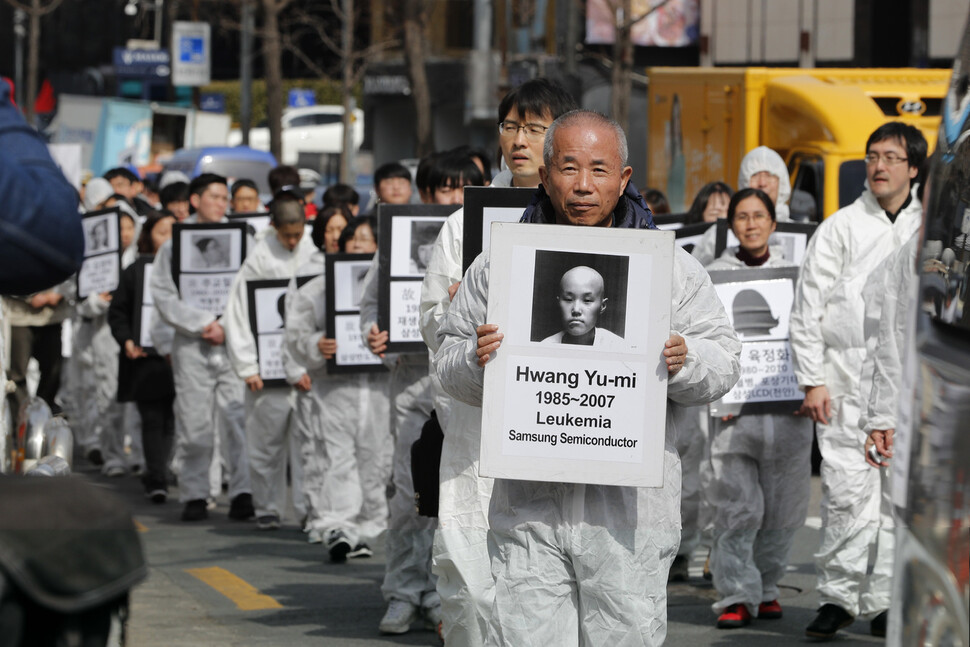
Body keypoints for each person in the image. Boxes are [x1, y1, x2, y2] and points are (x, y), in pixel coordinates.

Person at [434, 110, 740, 646]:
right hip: (528, 506)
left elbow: (725, 359)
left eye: (599, 169)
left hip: (628, 515)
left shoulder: (668, 267)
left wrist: (685, 359)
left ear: (623, 179)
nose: (582, 185)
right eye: (568, 167)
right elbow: (448, 360)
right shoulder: (502, 265)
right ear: (546, 175)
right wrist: (475, 360)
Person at [418, 77, 577, 647]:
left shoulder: (587, 219)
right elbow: (431, 321)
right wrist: (454, 310)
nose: (519, 140)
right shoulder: (465, 223)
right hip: (477, 425)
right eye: (511, 126)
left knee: (547, 573)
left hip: (557, 412)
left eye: (534, 128)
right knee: (469, 568)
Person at [789, 122, 926, 640]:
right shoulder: (840, 227)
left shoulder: (927, 231)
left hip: (907, 389)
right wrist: (812, 380)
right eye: (872, 156)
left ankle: (887, 600)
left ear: (914, 168)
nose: (879, 166)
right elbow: (807, 308)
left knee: (899, 501)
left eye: (891, 157)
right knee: (846, 495)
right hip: (844, 385)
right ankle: (838, 597)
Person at [703, 188, 813, 628]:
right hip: (734, 421)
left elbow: (812, 335)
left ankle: (766, 588)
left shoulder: (799, 276)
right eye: (742, 217)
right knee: (735, 509)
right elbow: (705, 342)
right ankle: (736, 594)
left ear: (773, 222)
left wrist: (809, 385)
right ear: (731, 225)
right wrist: (718, 392)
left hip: (788, 415)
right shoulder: (712, 277)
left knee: (783, 510)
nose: (751, 224)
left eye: (758, 216)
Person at [285, 218, 392, 562]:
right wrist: (317, 344)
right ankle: (337, 524)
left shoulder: (389, 288)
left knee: (376, 456)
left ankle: (372, 523)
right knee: (335, 456)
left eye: (367, 239)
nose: (359, 245)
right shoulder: (317, 289)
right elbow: (295, 335)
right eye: (353, 239)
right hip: (334, 390)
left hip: (377, 388)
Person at [151, 173, 254, 522]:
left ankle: (242, 491)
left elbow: (251, 287)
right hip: (192, 343)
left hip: (232, 341)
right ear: (195, 200)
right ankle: (196, 493)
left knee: (237, 418)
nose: (222, 204)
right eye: (215, 196)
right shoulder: (174, 245)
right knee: (194, 421)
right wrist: (202, 323)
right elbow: (163, 294)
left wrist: (226, 325)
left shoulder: (243, 240)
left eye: (225, 198)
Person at [224, 191, 317, 530]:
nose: (292, 241)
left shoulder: (312, 251)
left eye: (297, 234)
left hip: (305, 368)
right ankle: (267, 506)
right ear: (274, 227)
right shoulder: (258, 257)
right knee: (266, 444)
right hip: (268, 370)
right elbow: (238, 313)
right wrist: (247, 366)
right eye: (286, 235)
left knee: (307, 445)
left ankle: (308, 509)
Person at [107, 212, 178, 502]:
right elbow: (118, 312)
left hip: (177, 356)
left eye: (173, 232)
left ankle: (160, 468)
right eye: (162, 232)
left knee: (171, 419)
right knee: (152, 418)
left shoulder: (186, 270)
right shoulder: (135, 271)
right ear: (148, 237)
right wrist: (127, 340)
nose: (168, 239)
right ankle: (157, 476)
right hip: (144, 358)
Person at [692, 147, 791, 266]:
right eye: (755, 175)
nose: (762, 183)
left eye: (769, 175)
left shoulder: (800, 237)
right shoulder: (716, 235)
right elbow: (695, 271)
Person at [540, 265, 623, 348]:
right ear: (558, 303)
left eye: (587, 300)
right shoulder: (545, 347)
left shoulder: (618, 347)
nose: (576, 310)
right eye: (568, 299)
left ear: (602, 306)